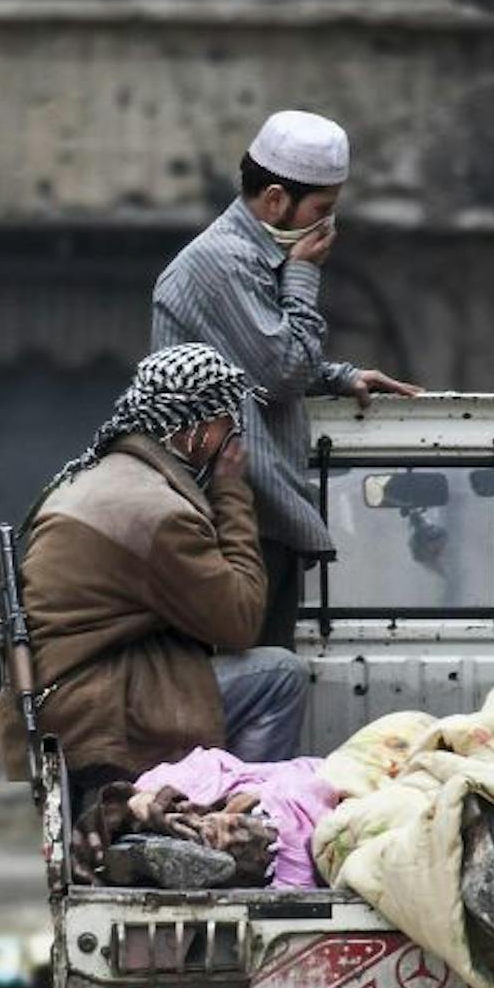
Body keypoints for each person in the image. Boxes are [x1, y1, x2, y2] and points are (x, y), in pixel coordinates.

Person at [151, 110, 421, 648]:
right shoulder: (222, 262)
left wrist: (340, 378)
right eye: (321, 211)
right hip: (228, 515)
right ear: (275, 200)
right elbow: (279, 371)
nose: (328, 228)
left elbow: (256, 361)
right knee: (251, 681)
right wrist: (303, 274)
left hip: (253, 514)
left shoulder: (249, 258)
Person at [0, 344, 308, 797]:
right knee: (280, 676)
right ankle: (240, 817)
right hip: (100, 709)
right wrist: (232, 494)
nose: (232, 437)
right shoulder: (156, 511)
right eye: (224, 421)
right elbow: (239, 619)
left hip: (66, 696)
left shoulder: (98, 477)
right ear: (192, 427)